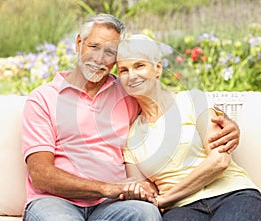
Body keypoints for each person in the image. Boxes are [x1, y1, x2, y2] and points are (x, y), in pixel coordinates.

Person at [21, 14, 240, 221]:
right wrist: (107, 187)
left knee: (146, 214)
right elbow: (41, 174)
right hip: (55, 203)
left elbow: (169, 101)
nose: (99, 59)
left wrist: (224, 122)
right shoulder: (43, 99)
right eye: (94, 47)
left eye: (110, 52)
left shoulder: (125, 91)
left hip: (113, 205)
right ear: (79, 44)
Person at [116, 34, 261, 221]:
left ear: (157, 68)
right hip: (181, 210)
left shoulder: (193, 100)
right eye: (123, 70)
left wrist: (166, 199)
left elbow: (219, 161)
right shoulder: (131, 137)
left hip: (233, 195)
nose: (132, 75)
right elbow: (144, 190)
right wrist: (135, 191)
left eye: (139, 66)